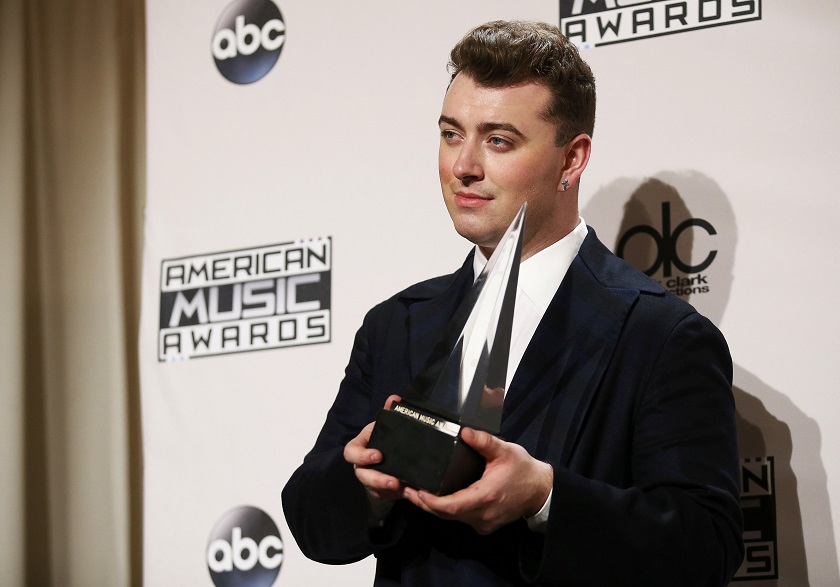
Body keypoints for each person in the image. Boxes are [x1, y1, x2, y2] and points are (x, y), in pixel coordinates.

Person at [282, 20, 743, 586]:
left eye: (498, 140)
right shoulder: (396, 324)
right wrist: (368, 485)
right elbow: (310, 521)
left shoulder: (661, 336)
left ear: (572, 160)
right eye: (452, 134)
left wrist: (545, 498)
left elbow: (705, 548)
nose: (464, 166)